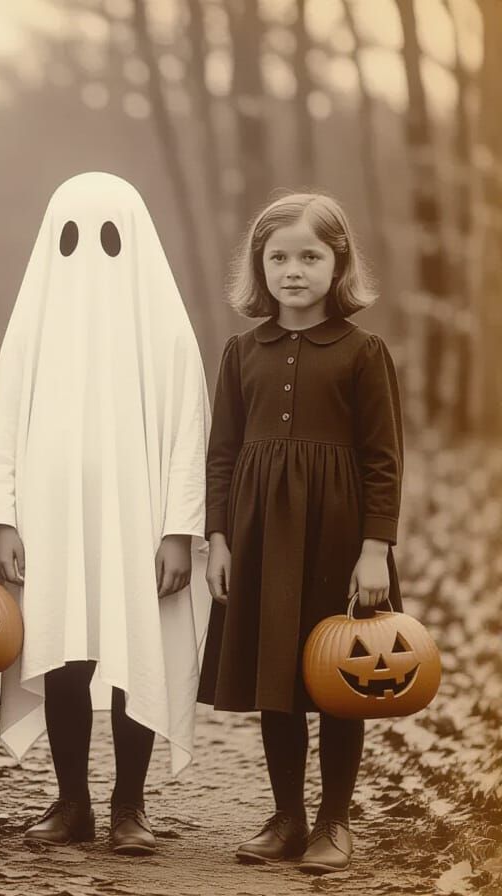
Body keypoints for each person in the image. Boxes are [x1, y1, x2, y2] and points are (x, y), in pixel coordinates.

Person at [0, 173, 212, 854]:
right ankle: (72, 802)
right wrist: (4, 519)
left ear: (137, 239)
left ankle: (129, 806)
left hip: (138, 524)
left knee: (133, 649)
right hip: (50, 524)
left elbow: (188, 435)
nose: (90, 253)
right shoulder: (31, 327)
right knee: (60, 654)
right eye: (72, 237)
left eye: (110, 237)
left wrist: (180, 529)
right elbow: (4, 430)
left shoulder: (165, 330)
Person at [198, 192, 404, 874]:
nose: (293, 270)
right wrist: (219, 538)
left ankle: (334, 819)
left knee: (341, 674)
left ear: (337, 263)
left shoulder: (363, 352)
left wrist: (375, 548)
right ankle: (286, 814)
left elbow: (383, 459)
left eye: (310, 256)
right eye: (278, 256)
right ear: (259, 266)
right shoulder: (240, 352)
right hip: (259, 533)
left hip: (337, 535)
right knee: (276, 674)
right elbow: (222, 452)